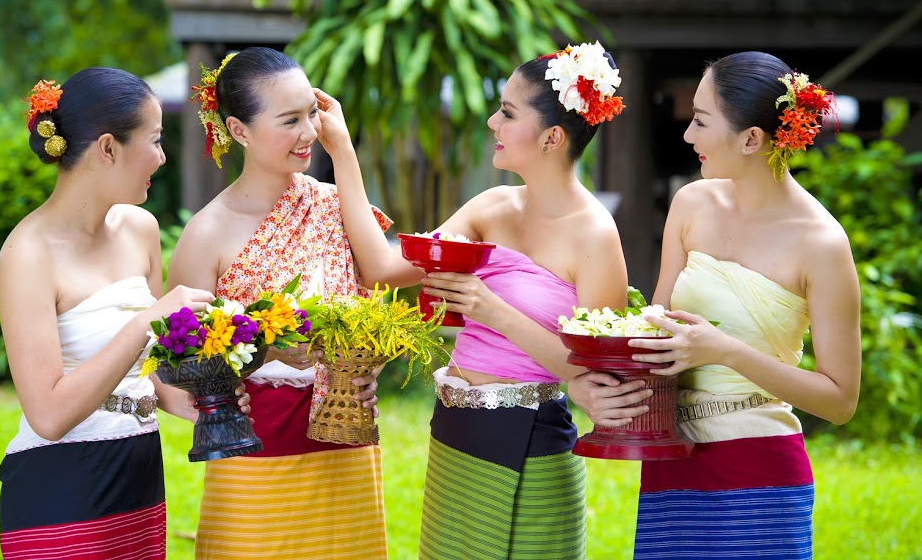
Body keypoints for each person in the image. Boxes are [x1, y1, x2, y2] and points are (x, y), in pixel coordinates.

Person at [316, 42, 651, 560]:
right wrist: (342, 152)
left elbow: (593, 371)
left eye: (508, 113)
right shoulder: (490, 206)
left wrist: (490, 309)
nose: (493, 122)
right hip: (456, 430)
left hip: (533, 442)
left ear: (552, 137)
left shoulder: (594, 236)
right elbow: (381, 269)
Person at [582, 51, 861, 559]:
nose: (688, 136)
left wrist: (725, 351)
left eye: (702, 120)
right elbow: (658, 329)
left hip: (760, 468)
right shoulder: (692, 205)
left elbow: (840, 400)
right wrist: (603, 365)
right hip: (671, 459)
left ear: (751, 139)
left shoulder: (821, 243)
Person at [0, 68, 248, 559]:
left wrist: (194, 402)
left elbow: (149, 368)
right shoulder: (27, 253)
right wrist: (143, 322)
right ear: (108, 148)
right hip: (60, 489)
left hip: (138, 478)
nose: (162, 156)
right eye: (154, 141)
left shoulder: (140, 228)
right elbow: (47, 415)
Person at [167, 47, 389, 559]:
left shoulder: (335, 207)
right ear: (239, 130)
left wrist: (363, 368)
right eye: (289, 120)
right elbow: (179, 361)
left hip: (345, 436)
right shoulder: (206, 233)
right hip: (253, 448)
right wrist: (267, 349)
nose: (309, 132)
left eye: (311, 112)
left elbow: (380, 282)